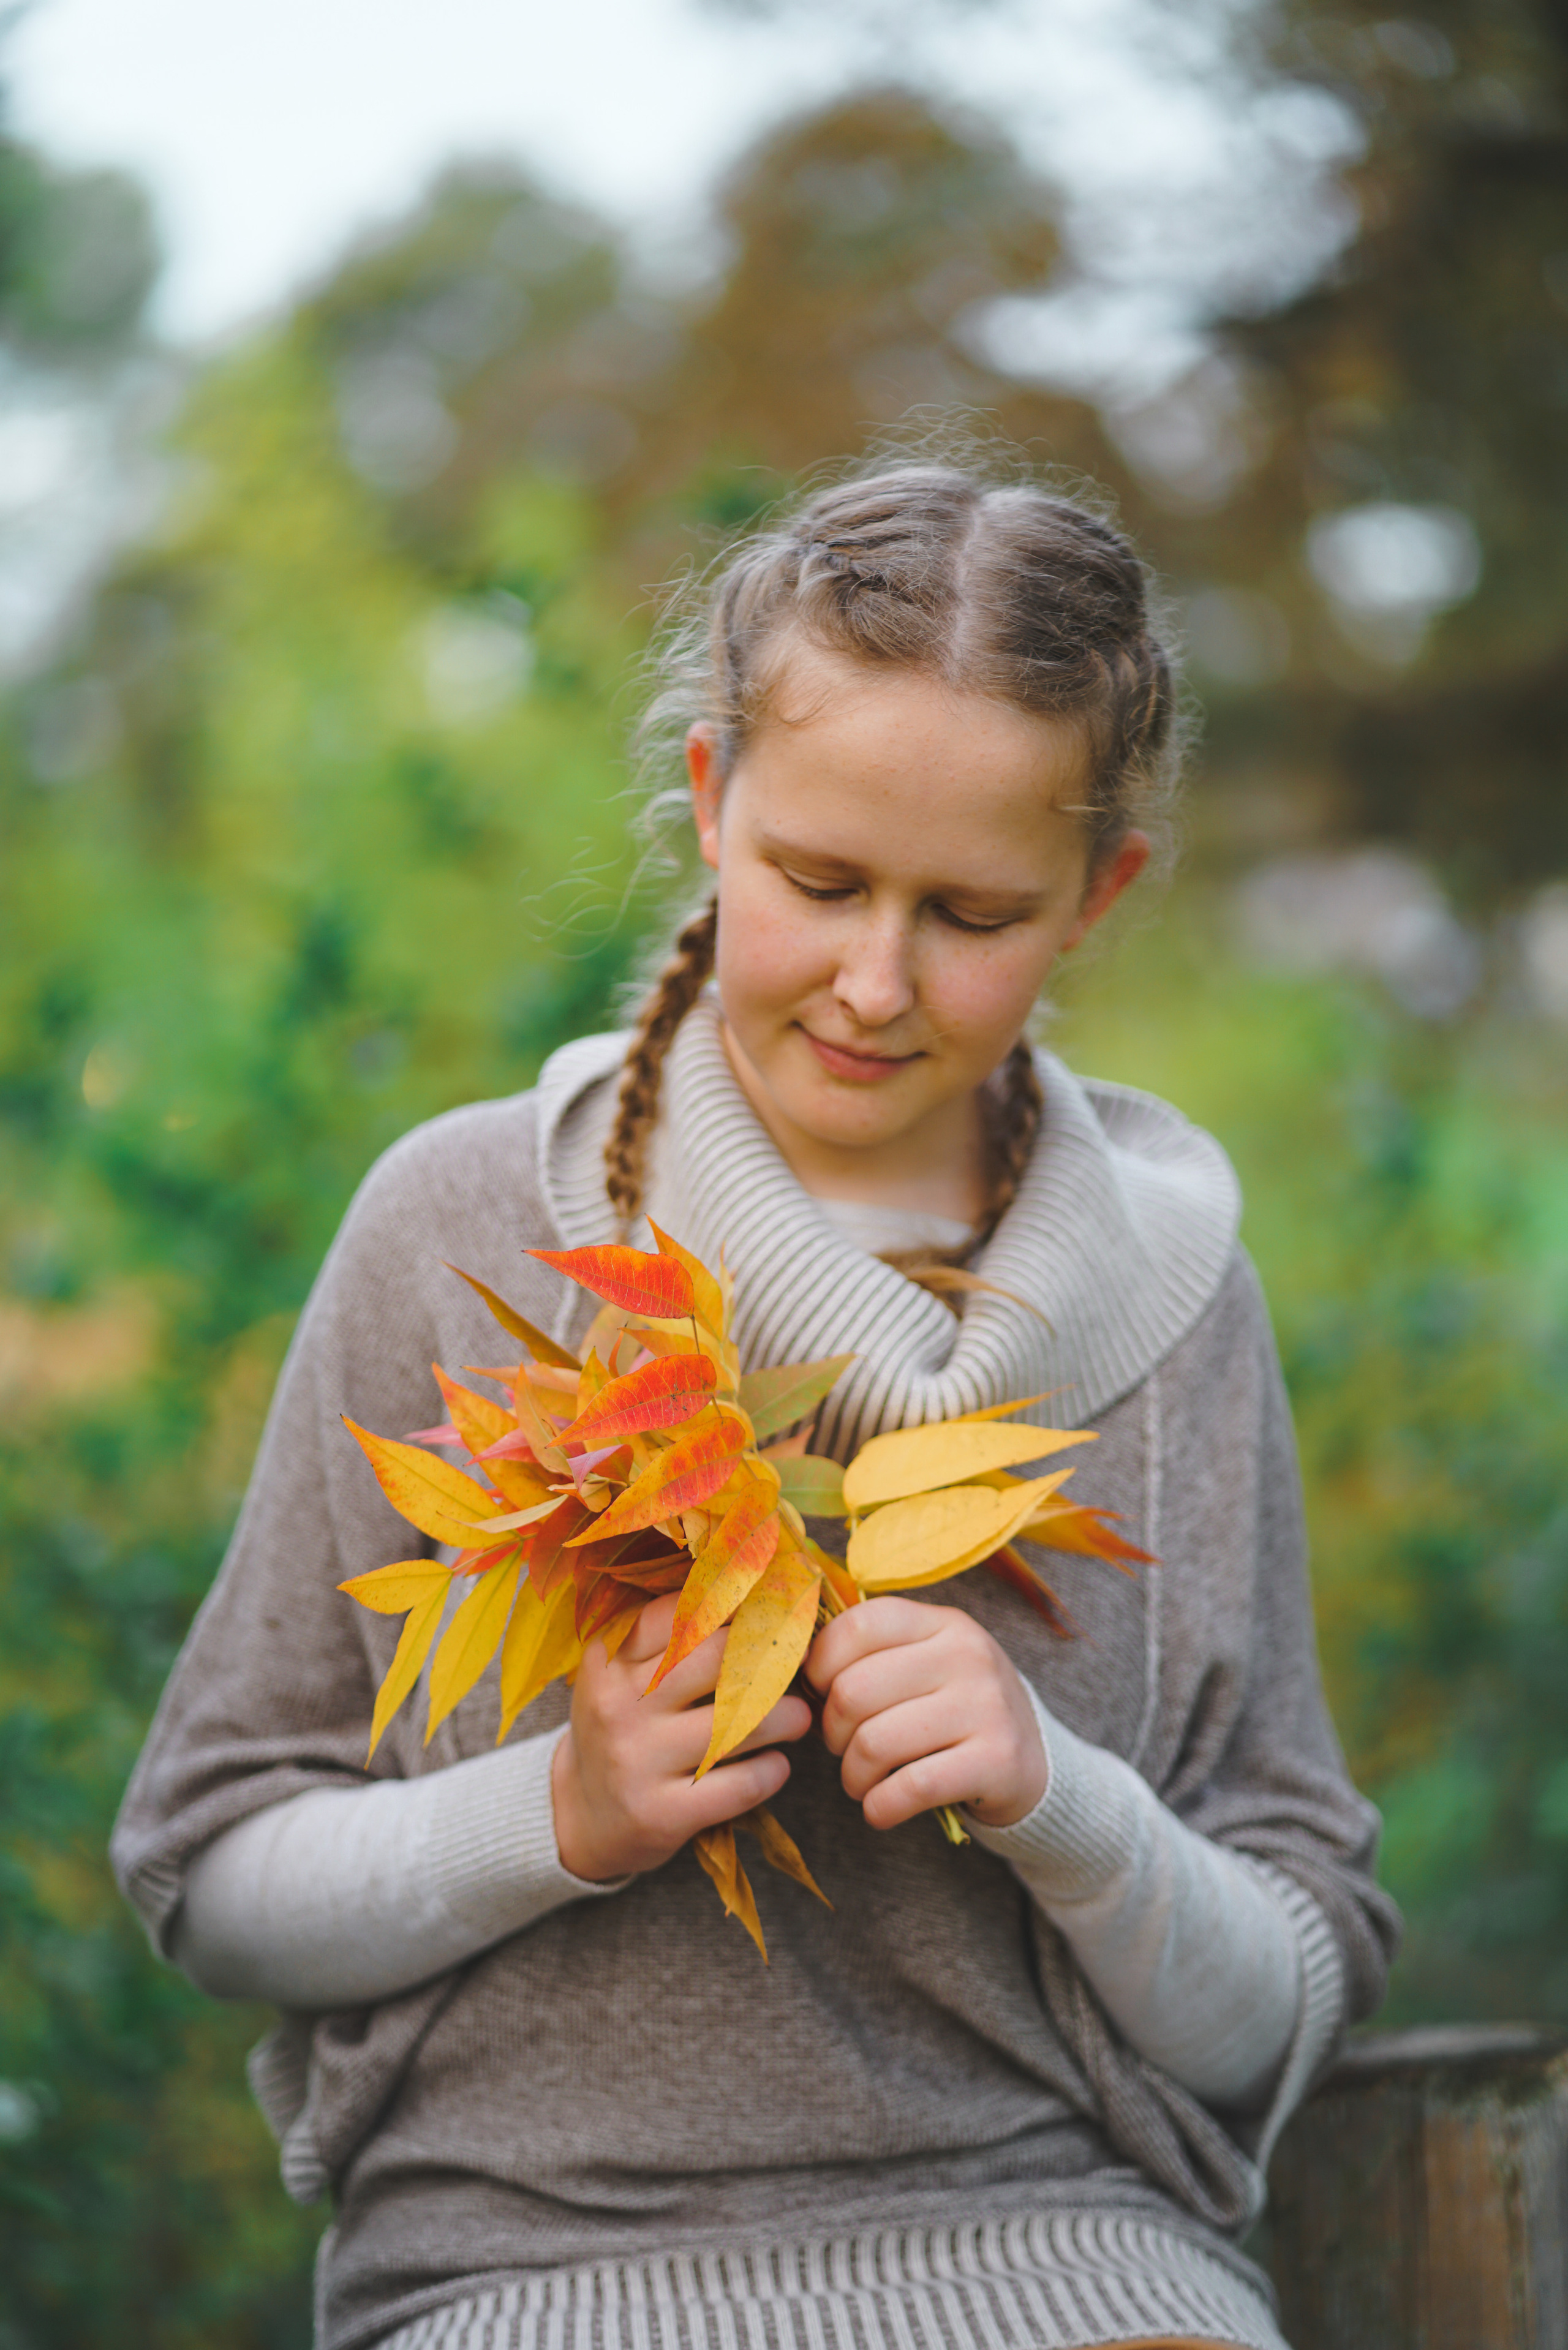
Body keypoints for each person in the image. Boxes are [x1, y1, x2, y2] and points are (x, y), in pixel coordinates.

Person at [112, 456, 1399, 2350]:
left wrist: (1068, 1805)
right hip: (531, 2279)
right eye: (819, 883)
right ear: (715, 807)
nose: (877, 982)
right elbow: (216, 1885)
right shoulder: (463, 1229)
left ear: (1097, 895)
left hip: (1067, 2268)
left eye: (971, 911)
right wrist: (557, 1806)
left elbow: (1294, 1988)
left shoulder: (1174, 1306)